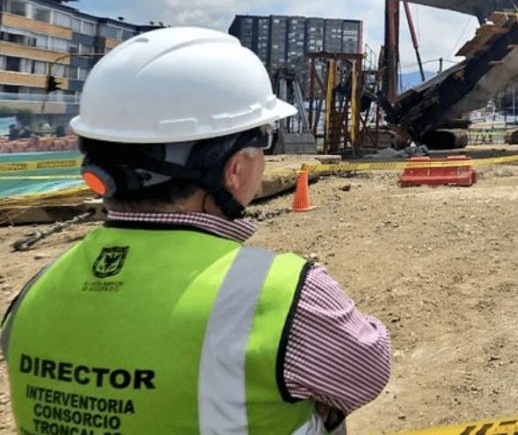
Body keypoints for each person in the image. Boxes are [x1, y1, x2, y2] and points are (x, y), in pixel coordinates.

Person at [1, 27, 390, 433]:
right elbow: (366, 373)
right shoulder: (278, 293)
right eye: (265, 140)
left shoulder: (35, 290)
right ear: (235, 169)